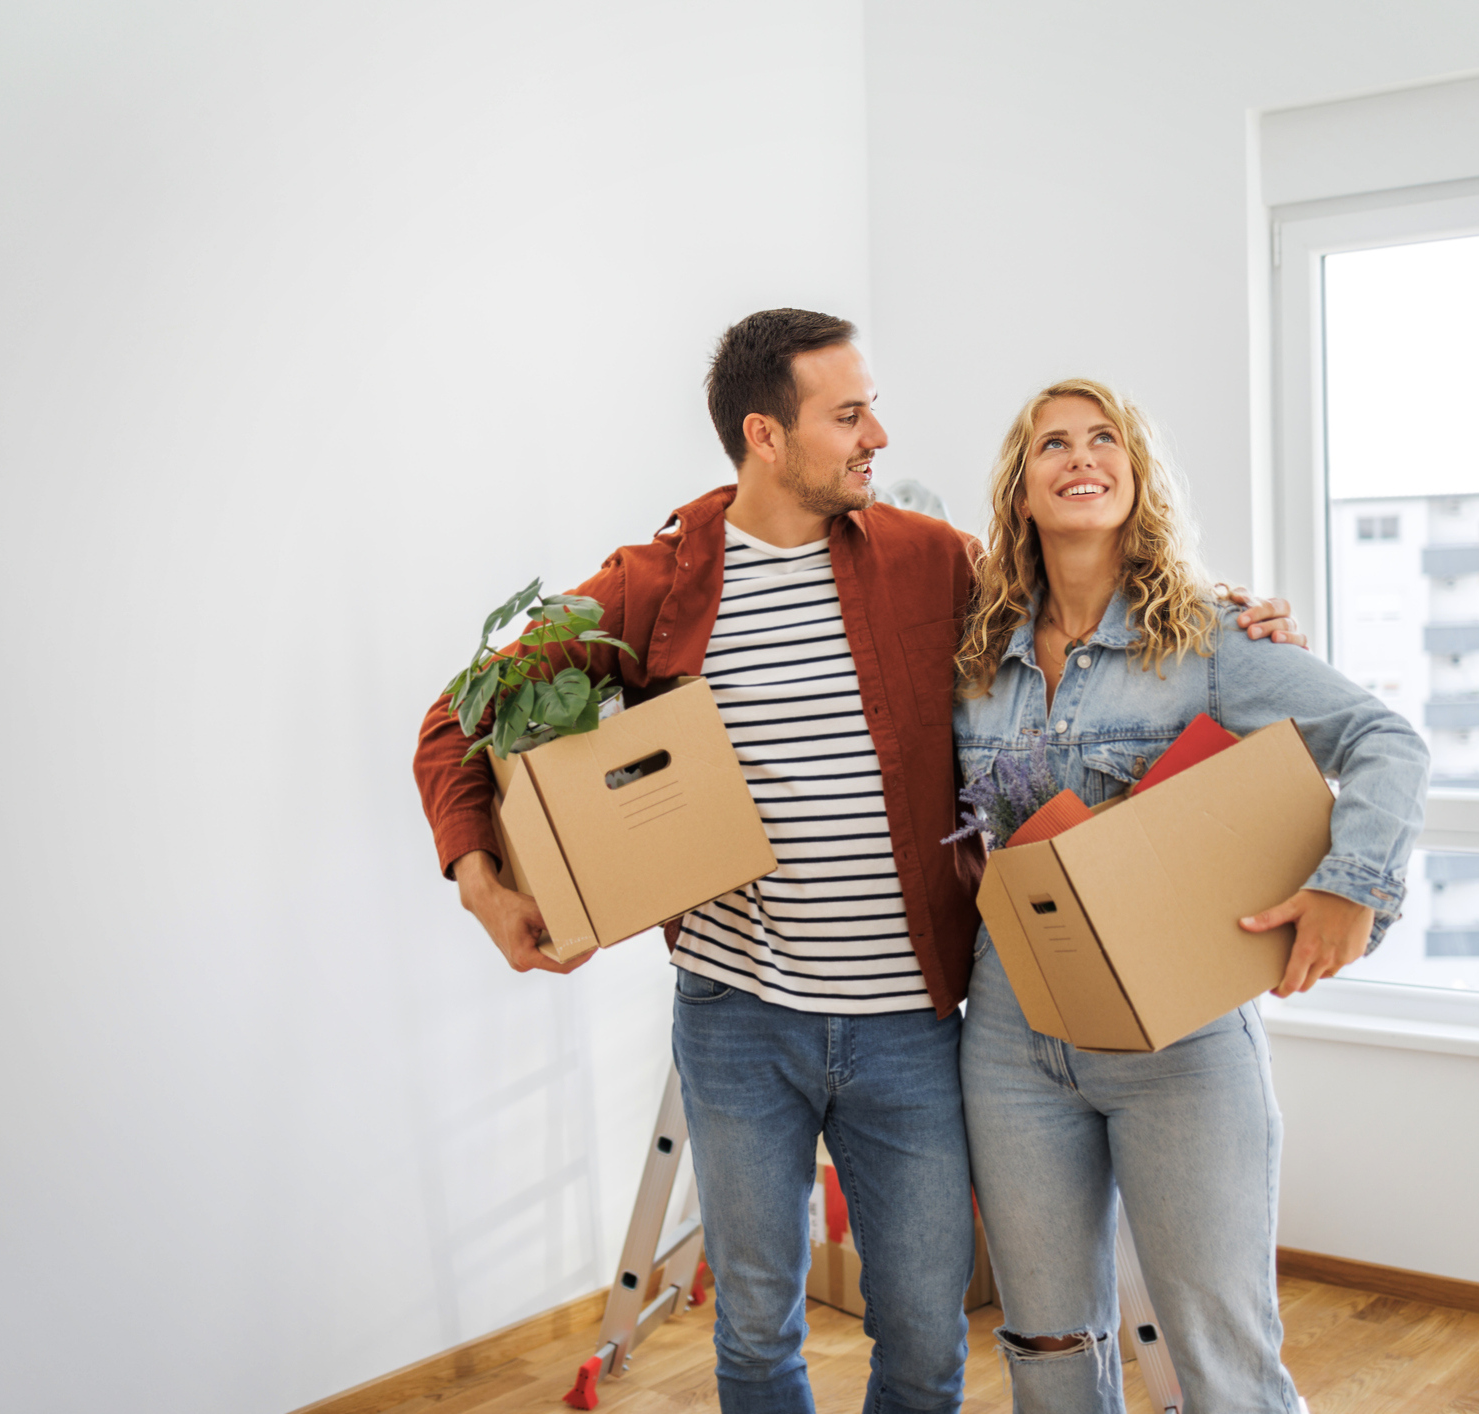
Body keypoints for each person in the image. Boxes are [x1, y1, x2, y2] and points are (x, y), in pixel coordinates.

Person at [412, 316, 1302, 1414]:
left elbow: (1083, 610)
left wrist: (1234, 622)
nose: (877, 432)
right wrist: (481, 883)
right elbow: (461, 715)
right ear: (765, 436)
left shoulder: (931, 563)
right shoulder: (660, 581)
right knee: (751, 1327)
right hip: (738, 1017)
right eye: (847, 414)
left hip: (913, 1031)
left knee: (926, 1338)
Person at [951, 378, 1427, 1413]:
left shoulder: (1211, 637)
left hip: (1182, 1042)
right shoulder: (973, 653)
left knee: (1221, 1356)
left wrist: (1349, 889)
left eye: (1102, 437)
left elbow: (1385, 741)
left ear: (1134, 471)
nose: (1080, 456)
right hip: (1010, 1033)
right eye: (1051, 445)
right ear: (1020, 491)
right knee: (1045, 1342)